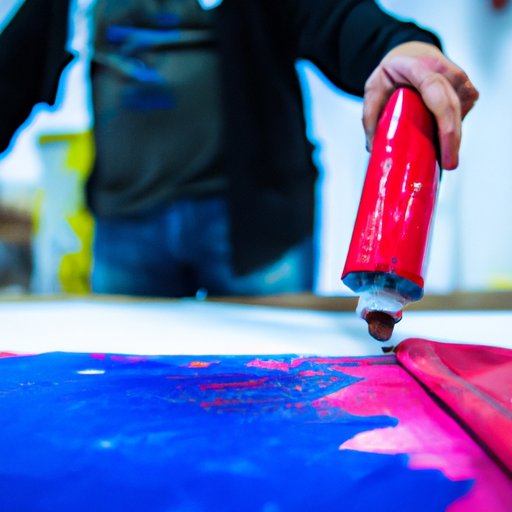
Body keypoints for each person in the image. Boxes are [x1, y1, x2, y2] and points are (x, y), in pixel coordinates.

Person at [0, 0, 479, 298]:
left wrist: (400, 47)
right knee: (126, 398)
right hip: (126, 222)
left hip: (256, 227)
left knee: (270, 397)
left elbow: (337, 16)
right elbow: (12, 70)